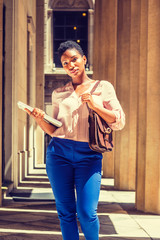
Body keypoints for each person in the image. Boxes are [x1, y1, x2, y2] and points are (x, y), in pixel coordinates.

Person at [26, 40, 125, 240]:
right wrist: (39, 119)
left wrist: (96, 105)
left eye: (74, 59)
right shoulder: (59, 93)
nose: (70, 65)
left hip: (89, 155)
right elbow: (53, 130)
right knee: (65, 212)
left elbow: (119, 121)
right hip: (58, 153)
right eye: (65, 63)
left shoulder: (103, 87)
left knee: (87, 212)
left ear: (84, 59)